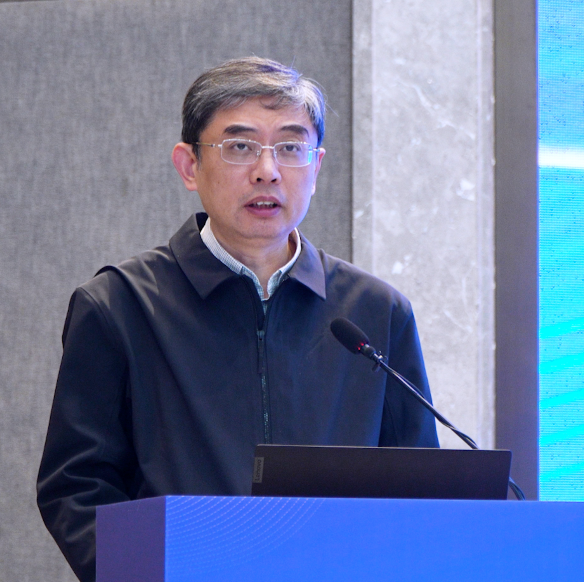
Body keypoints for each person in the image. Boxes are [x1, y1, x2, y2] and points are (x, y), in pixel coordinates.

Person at [36, 57, 439, 582]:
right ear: (189, 166)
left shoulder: (376, 313)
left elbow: (419, 491)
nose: (267, 170)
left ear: (316, 167)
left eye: (290, 147)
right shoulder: (120, 305)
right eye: (241, 147)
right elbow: (77, 487)